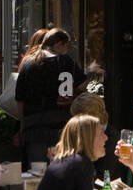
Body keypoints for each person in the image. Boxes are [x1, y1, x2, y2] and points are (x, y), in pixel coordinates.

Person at [15, 28, 86, 164]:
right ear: (59, 45)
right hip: (61, 125)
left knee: (36, 173)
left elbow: (20, 100)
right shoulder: (66, 62)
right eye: (66, 46)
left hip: (34, 127)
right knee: (61, 169)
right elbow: (83, 85)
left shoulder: (28, 65)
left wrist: (22, 125)